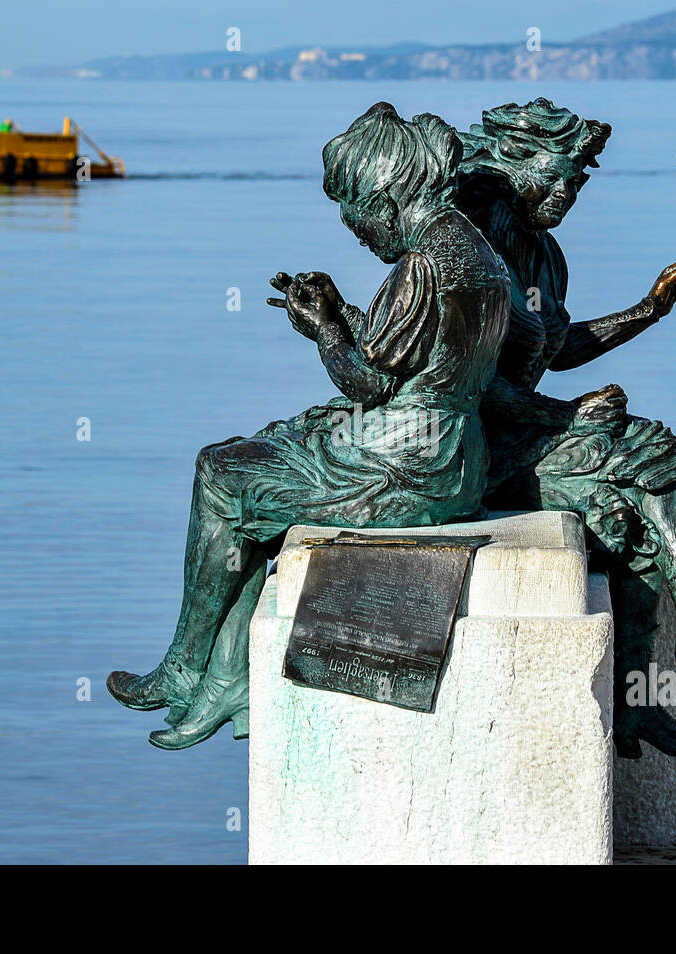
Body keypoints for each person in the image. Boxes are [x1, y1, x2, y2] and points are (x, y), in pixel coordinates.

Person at [108, 103, 511, 749]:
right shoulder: (473, 252)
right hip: (452, 453)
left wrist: (321, 330)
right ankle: (220, 679)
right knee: (248, 462)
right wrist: (340, 313)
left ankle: (189, 670)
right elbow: (413, 356)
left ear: (384, 195)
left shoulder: (424, 265)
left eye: (355, 216)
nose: (357, 233)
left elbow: (368, 383)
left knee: (222, 475)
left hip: (405, 463)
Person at [456, 98, 676, 760]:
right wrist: (569, 416)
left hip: (530, 432)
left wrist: (652, 307)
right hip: (477, 448)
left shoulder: (544, 257)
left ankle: (640, 702)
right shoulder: (470, 255)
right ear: (508, 164)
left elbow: (558, 347)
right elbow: (468, 383)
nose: (566, 194)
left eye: (578, 182)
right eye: (555, 177)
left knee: (639, 498)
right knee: (648, 457)